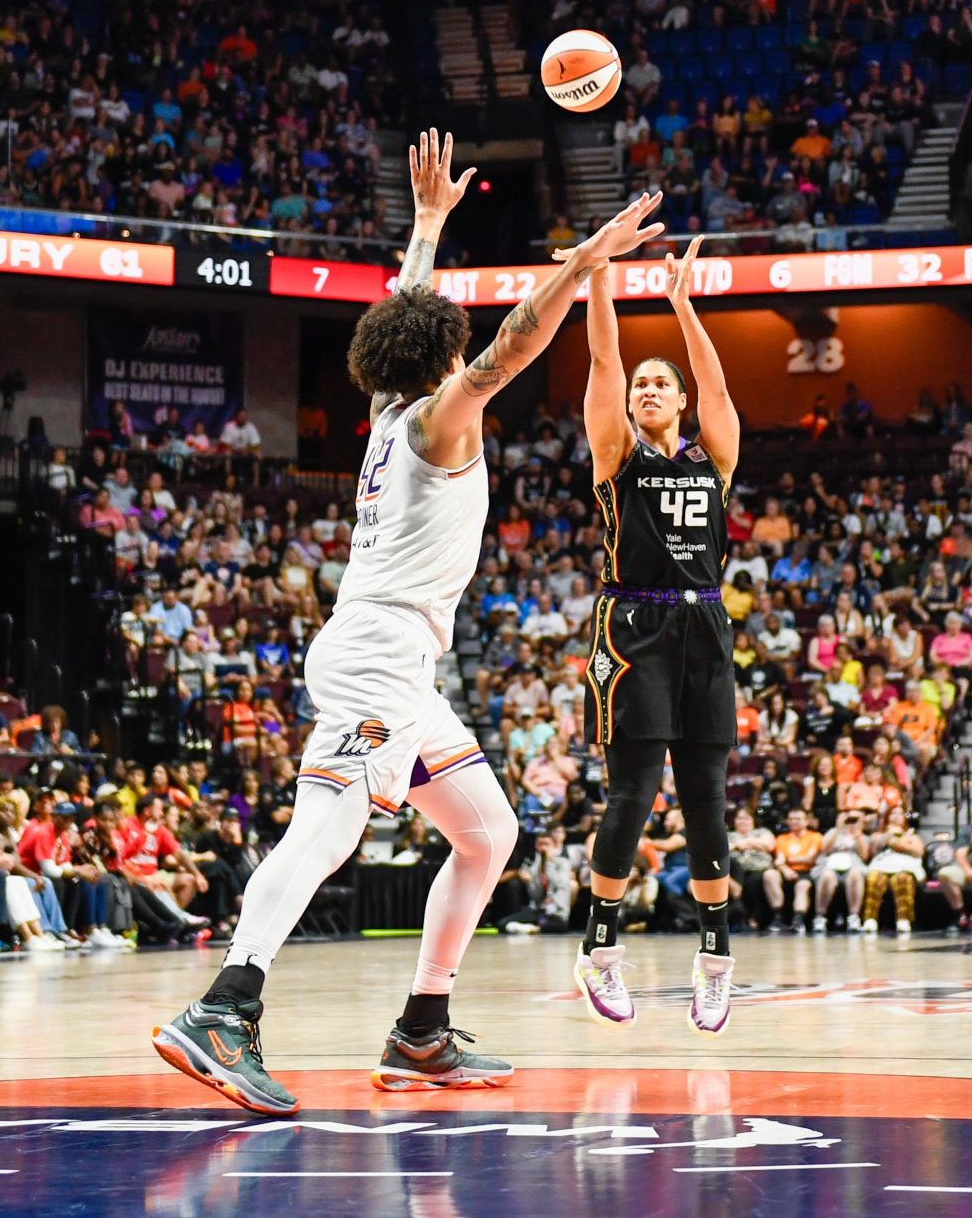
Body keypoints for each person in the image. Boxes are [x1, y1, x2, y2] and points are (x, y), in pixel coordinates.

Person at [155, 133, 665, 1114]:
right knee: (327, 827)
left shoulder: (393, 408)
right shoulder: (439, 415)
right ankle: (225, 1005)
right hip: (378, 660)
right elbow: (515, 342)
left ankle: (421, 1028)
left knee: (486, 834)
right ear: (442, 355)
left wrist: (429, 225)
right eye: (451, 337)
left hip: (401, 668)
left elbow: (404, 313)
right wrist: (582, 267)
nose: (462, 342)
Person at [574, 234, 744, 1034]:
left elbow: (714, 378)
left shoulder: (713, 458)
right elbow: (604, 365)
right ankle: (600, 949)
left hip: (704, 622)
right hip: (632, 622)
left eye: (660, 382)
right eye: (642, 383)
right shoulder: (615, 457)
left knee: (707, 802)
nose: (646, 387)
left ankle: (715, 962)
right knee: (635, 791)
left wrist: (681, 305)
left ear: (679, 402)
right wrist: (600, 275)